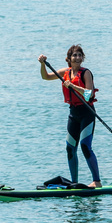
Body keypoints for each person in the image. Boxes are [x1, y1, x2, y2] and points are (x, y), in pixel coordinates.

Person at [38, 45, 102, 188]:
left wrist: (73, 87)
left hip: (87, 113)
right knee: (70, 148)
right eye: (74, 55)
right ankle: (74, 183)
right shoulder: (64, 72)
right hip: (73, 114)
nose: (77, 58)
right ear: (69, 58)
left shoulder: (86, 73)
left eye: (80, 55)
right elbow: (45, 76)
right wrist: (42, 64)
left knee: (85, 146)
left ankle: (97, 182)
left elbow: (89, 94)